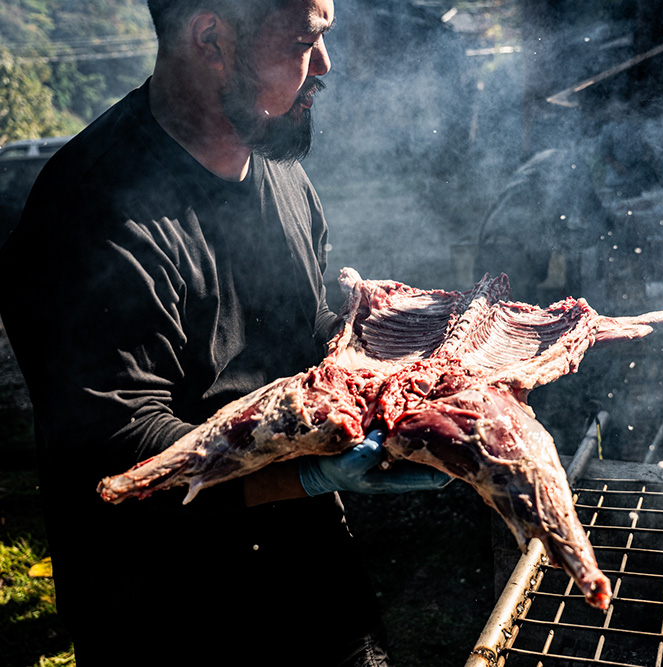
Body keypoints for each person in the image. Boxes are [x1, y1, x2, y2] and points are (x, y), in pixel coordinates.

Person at [0, 1, 449, 664]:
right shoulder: (91, 214)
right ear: (211, 38)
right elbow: (121, 450)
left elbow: (290, 326)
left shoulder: (277, 166)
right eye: (304, 42)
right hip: (169, 613)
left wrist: (380, 349)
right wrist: (310, 473)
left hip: (313, 588)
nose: (324, 66)